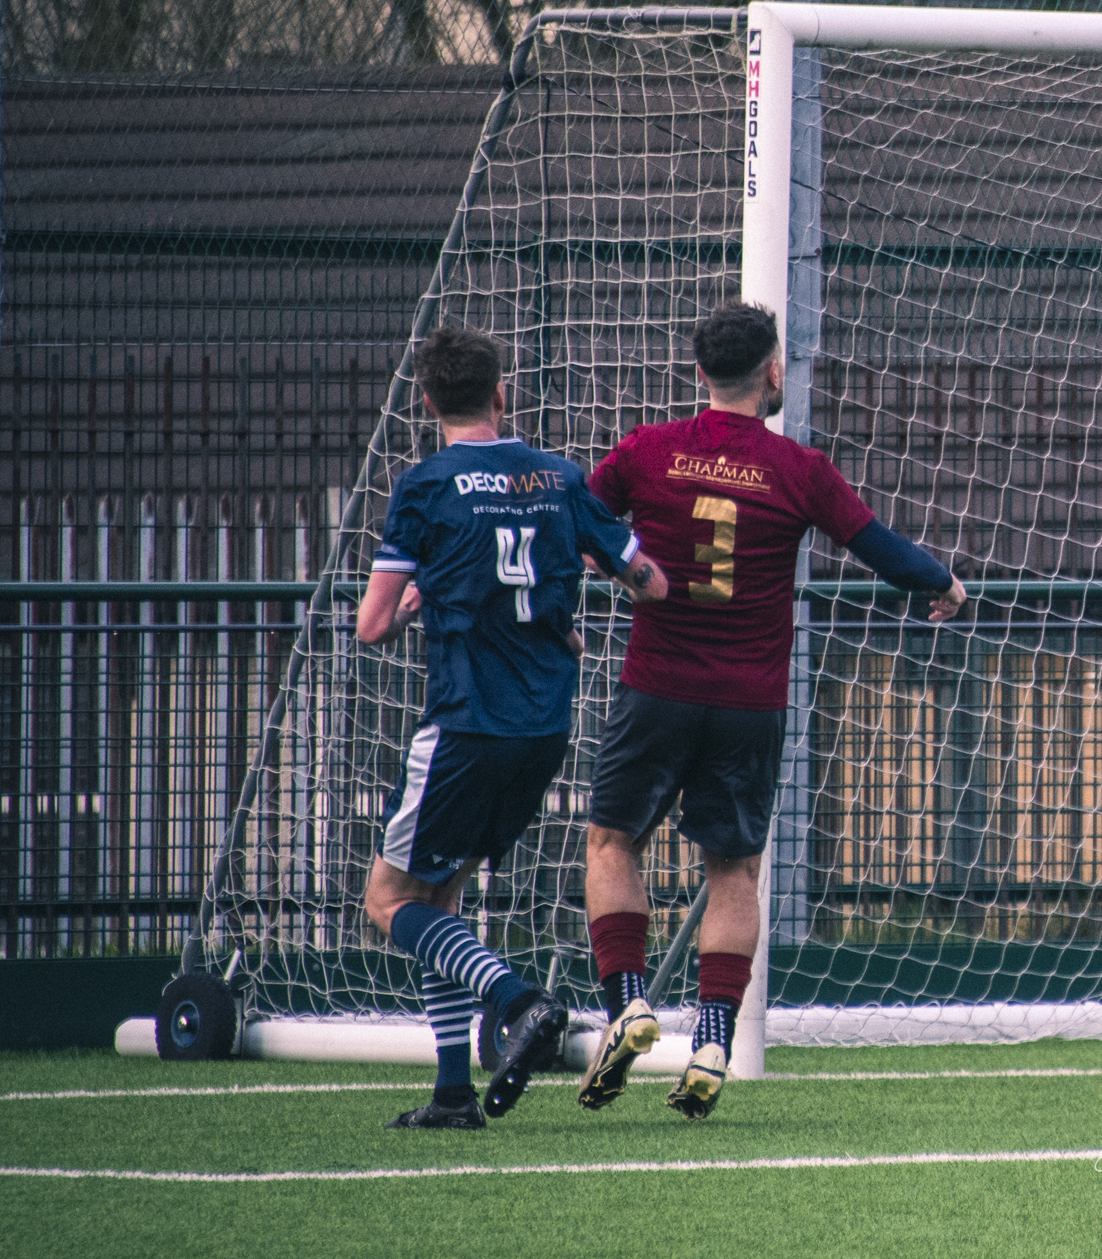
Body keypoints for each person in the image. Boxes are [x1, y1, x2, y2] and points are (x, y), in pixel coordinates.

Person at [577, 302, 965, 1120]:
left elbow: (577, 518)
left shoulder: (648, 450)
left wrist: (615, 572)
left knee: (613, 840)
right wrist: (940, 582)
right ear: (773, 372)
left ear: (699, 374)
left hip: (656, 688)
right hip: (750, 702)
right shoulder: (799, 468)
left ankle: (631, 1005)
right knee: (734, 869)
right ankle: (714, 1038)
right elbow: (879, 547)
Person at [355, 324, 665, 1131]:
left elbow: (372, 625)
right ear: (503, 392)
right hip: (543, 730)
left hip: (464, 723)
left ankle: (520, 999)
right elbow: (649, 580)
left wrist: (425, 589)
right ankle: (453, 1092)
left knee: (388, 902)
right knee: (442, 902)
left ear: (427, 402)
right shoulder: (560, 477)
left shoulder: (425, 484)